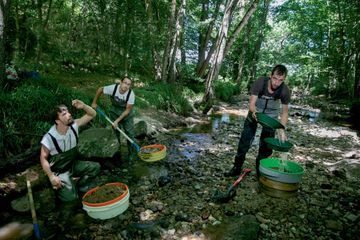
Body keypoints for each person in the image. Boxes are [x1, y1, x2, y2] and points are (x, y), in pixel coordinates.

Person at [225, 64, 291, 177]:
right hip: (255, 112)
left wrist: (281, 128)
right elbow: (251, 104)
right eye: (275, 78)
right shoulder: (260, 82)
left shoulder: (285, 90)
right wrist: (254, 113)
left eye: (280, 80)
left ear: (284, 80)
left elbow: (284, 112)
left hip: (271, 117)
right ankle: (236, 168)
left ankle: (260, 171)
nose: (276, 82)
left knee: (266, 146)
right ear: (271, 75)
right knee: (245, 141)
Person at [40, 100, 101, 202]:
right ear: (57, 121)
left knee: (95, 167)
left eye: (68, 112)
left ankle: (80, 187)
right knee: (71, 199)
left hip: (73, 165)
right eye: (64, 114)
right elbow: (43, 158)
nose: (69, 114)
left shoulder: (74, 125)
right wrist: (51, 176)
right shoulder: (49, 137)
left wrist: (84, 106)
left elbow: (92, 114)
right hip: (59, 171)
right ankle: (64, 188)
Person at [91, 77, 136, 160]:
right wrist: (94, 102)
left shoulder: (131, 94)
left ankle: (131, 153)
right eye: (125, 83)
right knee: (116, 132)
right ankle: (117, 150)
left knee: (130, 133)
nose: (126, 85)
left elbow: (127, 110)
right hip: (114, 111)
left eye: (128, 84)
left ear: (130, 86)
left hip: (127, 115)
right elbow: (100, 89)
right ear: (121, 82)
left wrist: (117, 121)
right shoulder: (113, 88)